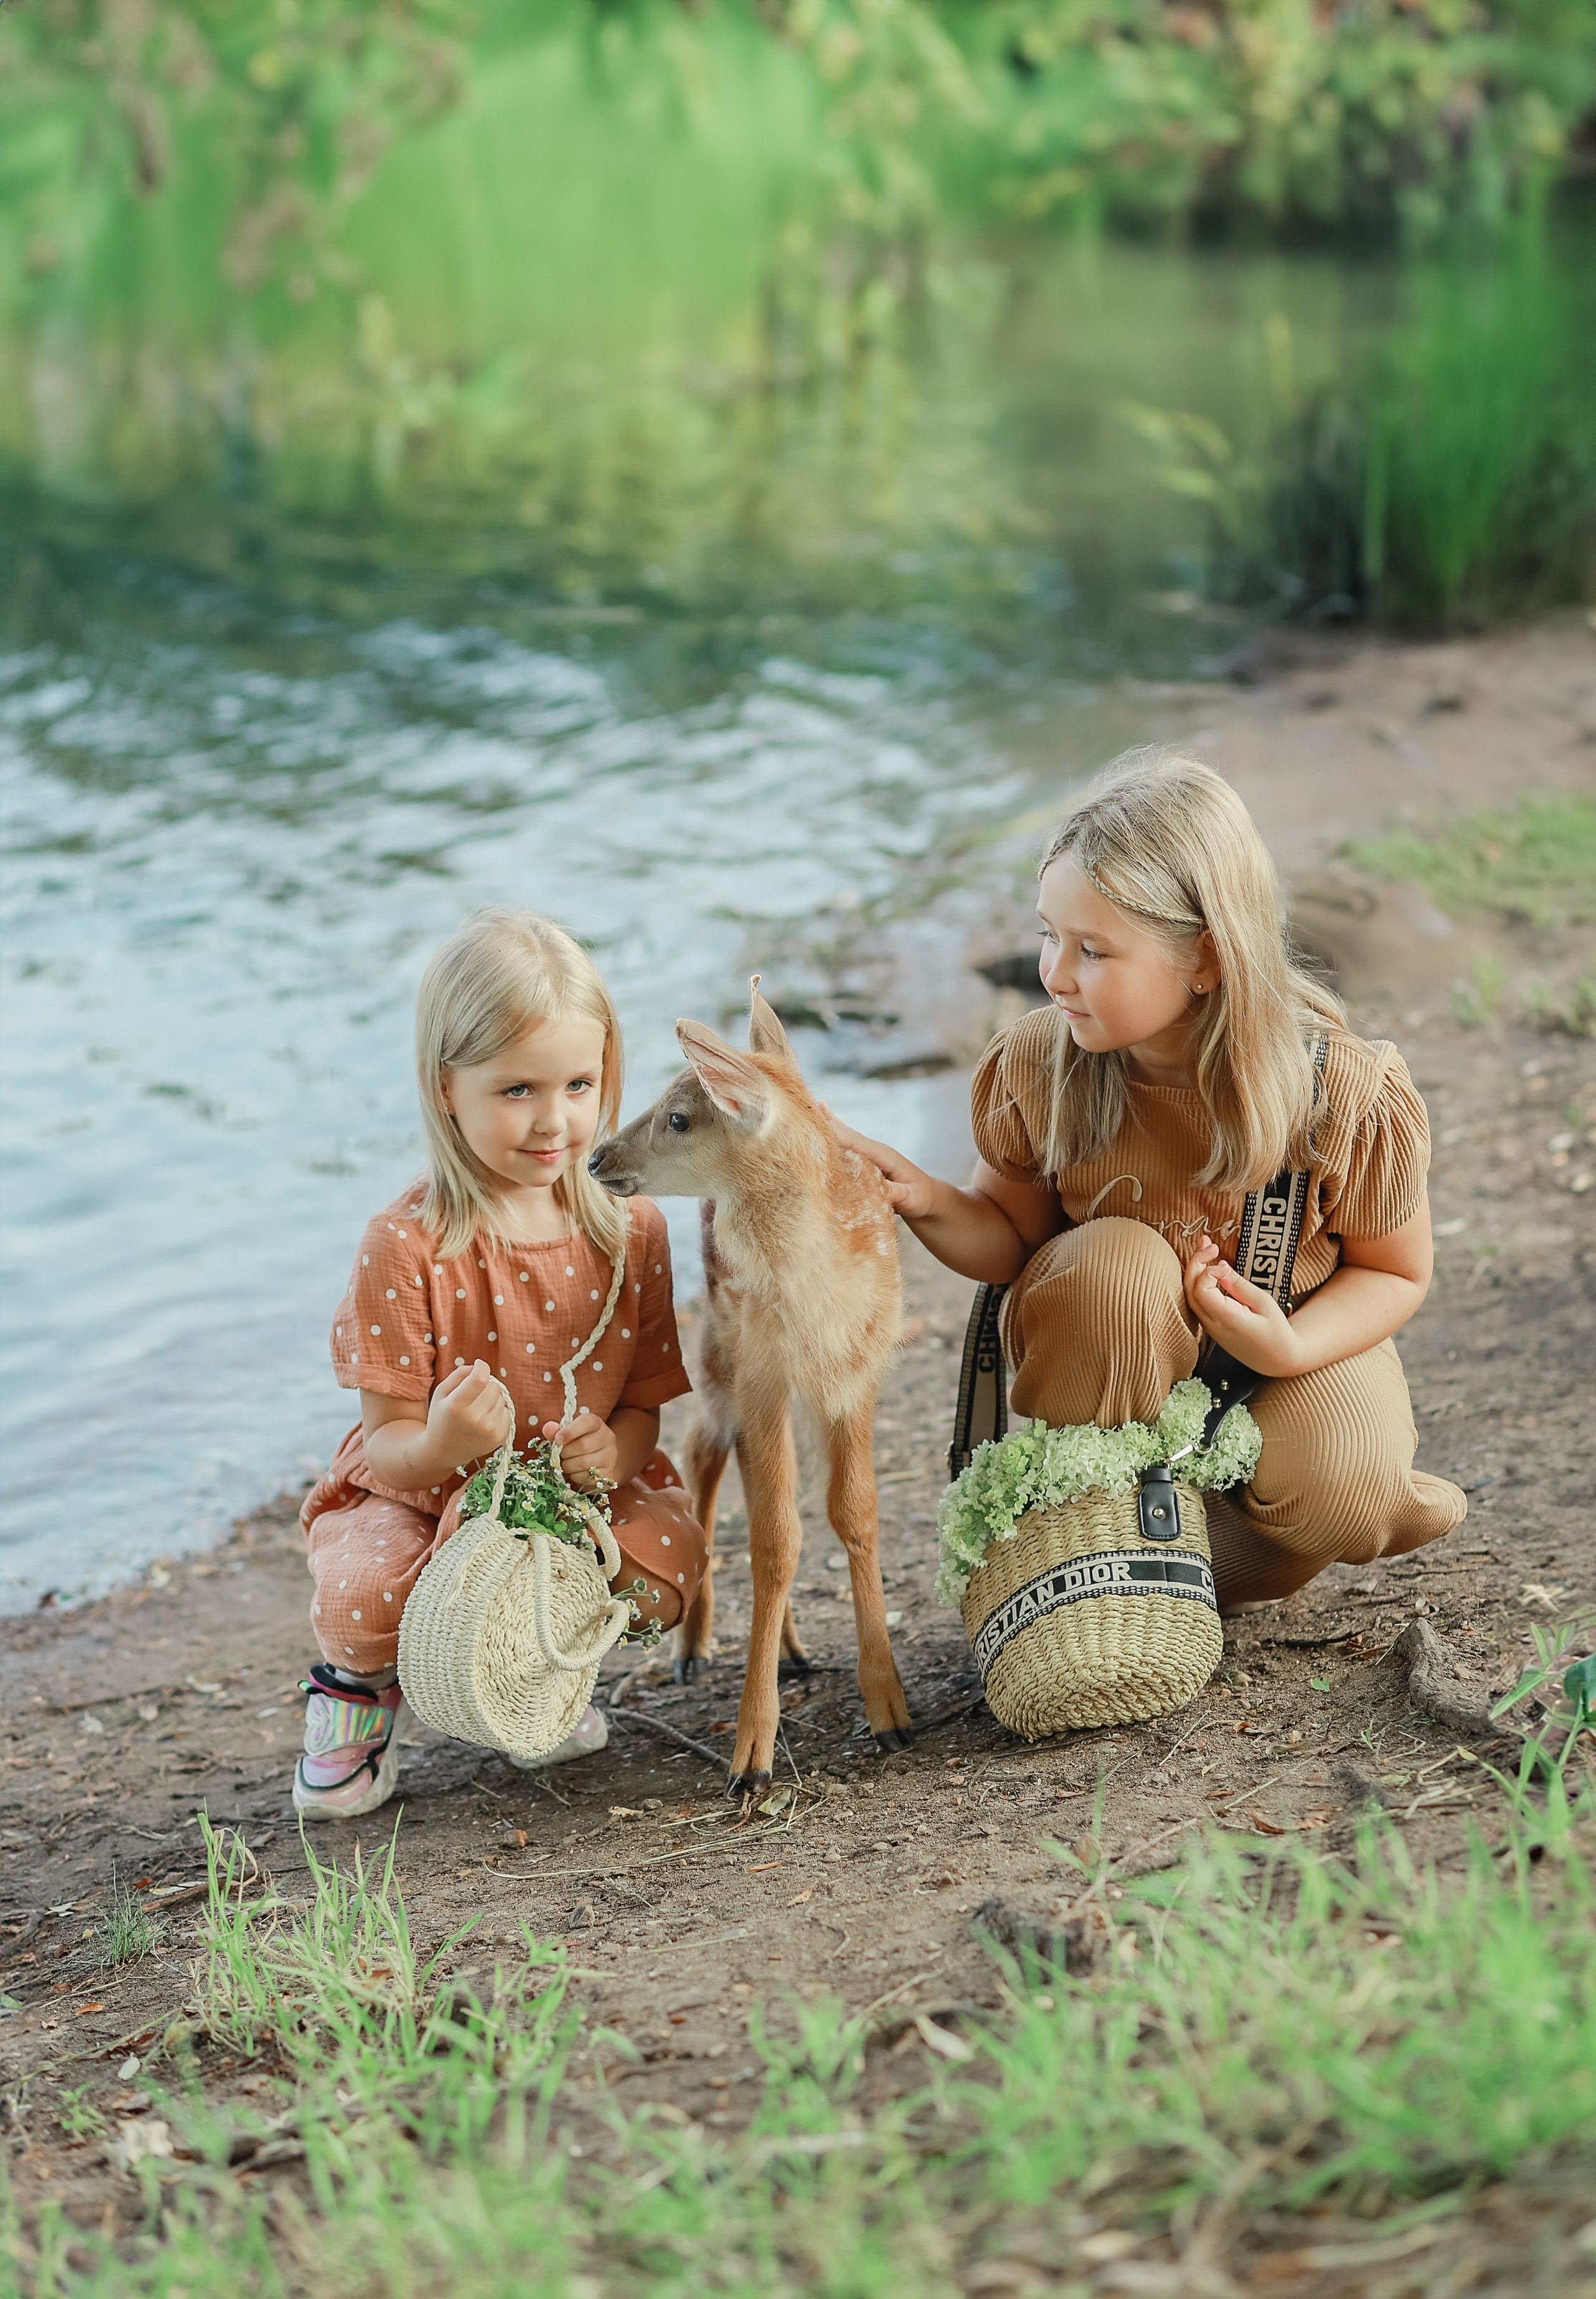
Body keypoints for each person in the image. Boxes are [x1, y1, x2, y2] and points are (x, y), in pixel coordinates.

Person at [841, 750, 1465, 1609]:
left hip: (1286, 1348)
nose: (1053, 974)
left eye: (1093, 950)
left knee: (1348, 1494)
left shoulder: (1340, 1091)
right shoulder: (1041, 1064)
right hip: (1111, 1355)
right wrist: (923, 1197)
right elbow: (1009, 1241)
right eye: (1047, 936)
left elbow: (1394, 1271)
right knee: (1114, 1270)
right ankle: (1101, 1527)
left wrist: (1290, 1347)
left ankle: (1178, 1568)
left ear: (1206, 957)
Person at [294, 910, 706, 1818]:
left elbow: (642, 1409)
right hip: (423, 1494)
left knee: (667, 1570)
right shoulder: (405, 1245)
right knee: (367, 1594)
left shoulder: (633, 1231)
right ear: (448, 1087)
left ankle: (530, 1671)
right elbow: (389, 1446)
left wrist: (615, 1455)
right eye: (515, 1089)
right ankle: (356, 1694)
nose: (554, 1120)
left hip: (558, 1503)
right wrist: (445, 1440)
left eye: (578, 1084)